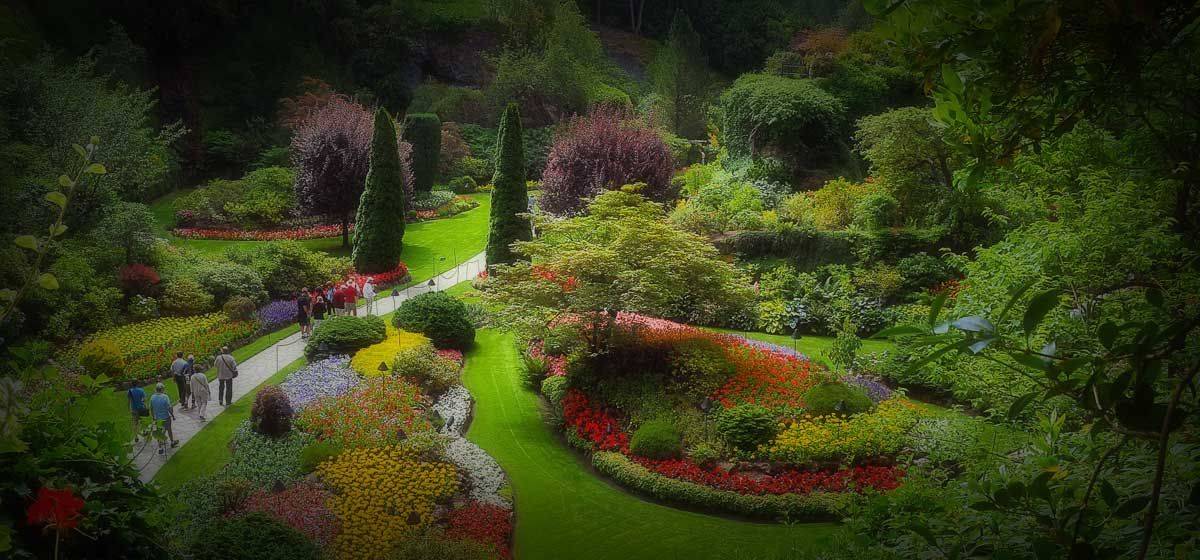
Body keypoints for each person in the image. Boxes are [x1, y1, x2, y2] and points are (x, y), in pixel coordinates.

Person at [149, 383, 178, 454]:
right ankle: (172, 442)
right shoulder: (165, 397)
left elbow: (151, 408)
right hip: (166, 417)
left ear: (156, 389)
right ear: (162, 389)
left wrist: (153, 417)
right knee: (169, 430)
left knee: (159, 433)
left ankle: (160, 448)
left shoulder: (152, 397)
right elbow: (169, 408)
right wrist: (173, 415)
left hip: (157, 419)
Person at [188, 357, 211, 421]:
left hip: (195, 392)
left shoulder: (192, 377)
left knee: (199, 404)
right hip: (203, 391)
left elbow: (191, 385)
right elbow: (206, 384)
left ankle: (201, 415)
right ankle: (201, 414)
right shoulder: (203, 375)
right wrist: (208, 390)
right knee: (204, 403)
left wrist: (192, 392)